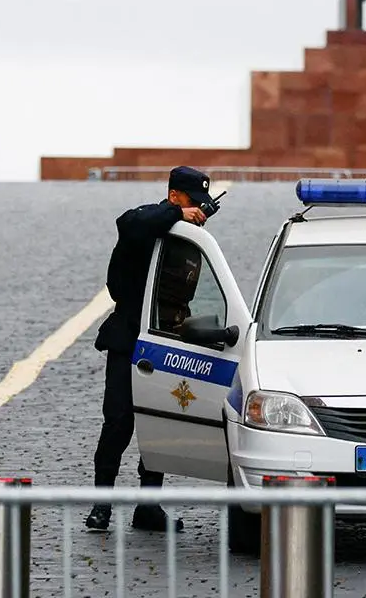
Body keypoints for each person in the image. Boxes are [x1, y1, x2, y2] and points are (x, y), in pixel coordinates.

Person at [85, 166, 217, 532]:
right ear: (175, 196)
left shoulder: (189, 238)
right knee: (118, 422)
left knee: (158, 426)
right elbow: (128, 223)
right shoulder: (149, 224)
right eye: (193, 203)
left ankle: (148, 505)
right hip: (129, 340)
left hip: (168, 340)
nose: (199, 211)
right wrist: (177, 214)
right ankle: (102, 505)